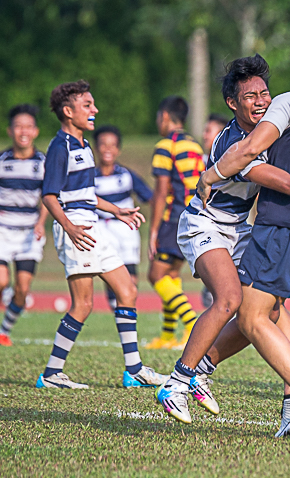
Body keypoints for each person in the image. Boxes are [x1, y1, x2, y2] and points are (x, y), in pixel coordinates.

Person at [156, 55, 290, 434]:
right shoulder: (238, 146)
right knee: (230, 300)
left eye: (264, 93)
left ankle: (288, 411)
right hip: (205, 224)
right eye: (249, 96)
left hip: (237, 227)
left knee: (271, 314)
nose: (261, 101)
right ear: (233, 104)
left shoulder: (267, 134)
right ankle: (177, 383)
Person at [36, 80, 167, 389]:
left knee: (128, 290)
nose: (94, 110)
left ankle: (134, 370)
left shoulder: (84, 146)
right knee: (83, 305)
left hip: (92, 226)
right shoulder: (61, 146)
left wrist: (117, 210)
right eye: (87, 106)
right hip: (77, 229)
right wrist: (69, 227)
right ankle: (53, 374)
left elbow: (87, 195)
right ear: (68, 112)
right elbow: (50, 196)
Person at [145, 96, 204, 350]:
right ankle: (168, 335)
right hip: (195, 215)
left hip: (174, 216)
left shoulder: (165, 146)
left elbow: (160, 192)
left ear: (165, 117)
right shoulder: (195, 145)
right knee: (171, 275)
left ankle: (191, 324)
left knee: (155, 274)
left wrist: (154, 230)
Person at [0, 105, 48, 346]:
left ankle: (4, 330)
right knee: (0, 280)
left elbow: (49, 198)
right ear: (10, 131)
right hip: (3, 229)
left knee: (23, 289)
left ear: (36, 131)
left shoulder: (43, 163)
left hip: (29, 233)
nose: (23, 131)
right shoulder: (2, 161)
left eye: (28, 126)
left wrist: (41, 223)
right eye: (19, 126)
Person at [93, 125, 153, 310]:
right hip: (101, 230)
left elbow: (150, 197)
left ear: (118, 149)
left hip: (126, 230)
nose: (107, 149)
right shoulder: (89, 177)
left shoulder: (126, 175)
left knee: (131, 281)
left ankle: (125, 315)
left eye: (112, 145)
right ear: (96, 147)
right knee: (111, 277)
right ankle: (119, 316)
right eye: (103, 144)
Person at [199, 113, 230, 309]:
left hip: (233, 227)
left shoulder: (235, 156)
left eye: (208, 131)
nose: (203, 135)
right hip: (208, 227)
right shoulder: (201, 160)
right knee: (220, 293)